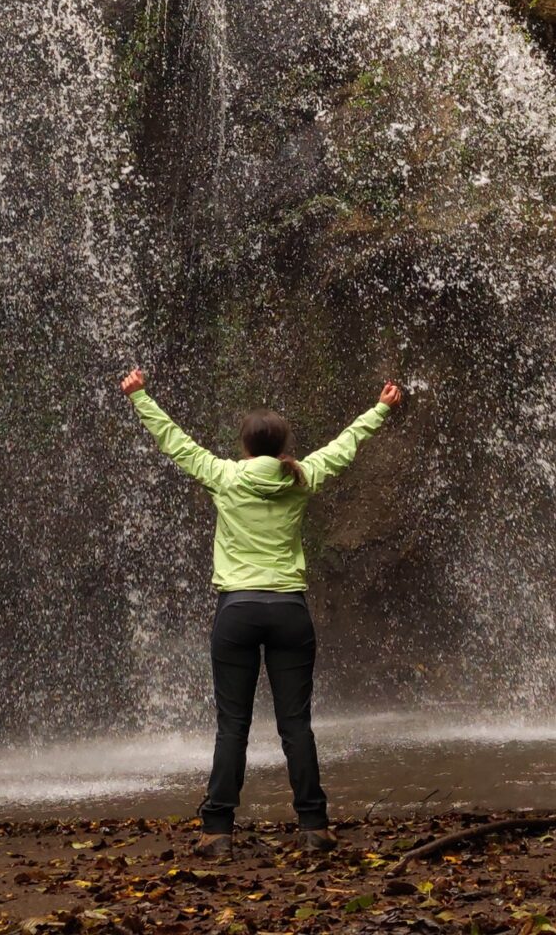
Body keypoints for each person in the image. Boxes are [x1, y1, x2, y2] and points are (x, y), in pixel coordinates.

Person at [120, 367, 403, 860]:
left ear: (245, 446)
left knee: (233, 724)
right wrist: (380, 408)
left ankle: (216, 832)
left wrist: (140, 396)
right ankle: (313, 826)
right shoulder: (301, 477)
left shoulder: (225, 477)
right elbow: (344, 446)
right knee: (296, 724)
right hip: (289, 609)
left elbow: (175, 441)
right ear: (283, 445)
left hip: (237, 610)